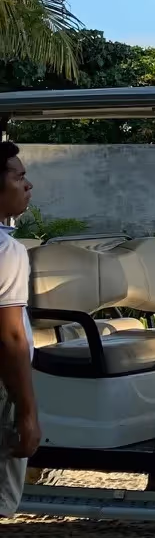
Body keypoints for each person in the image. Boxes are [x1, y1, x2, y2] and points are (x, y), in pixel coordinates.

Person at [0, 142, 38, 515]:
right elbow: (10, 336)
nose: (28, 186)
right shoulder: (7, 252)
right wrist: (27, 413)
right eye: (19, 177)